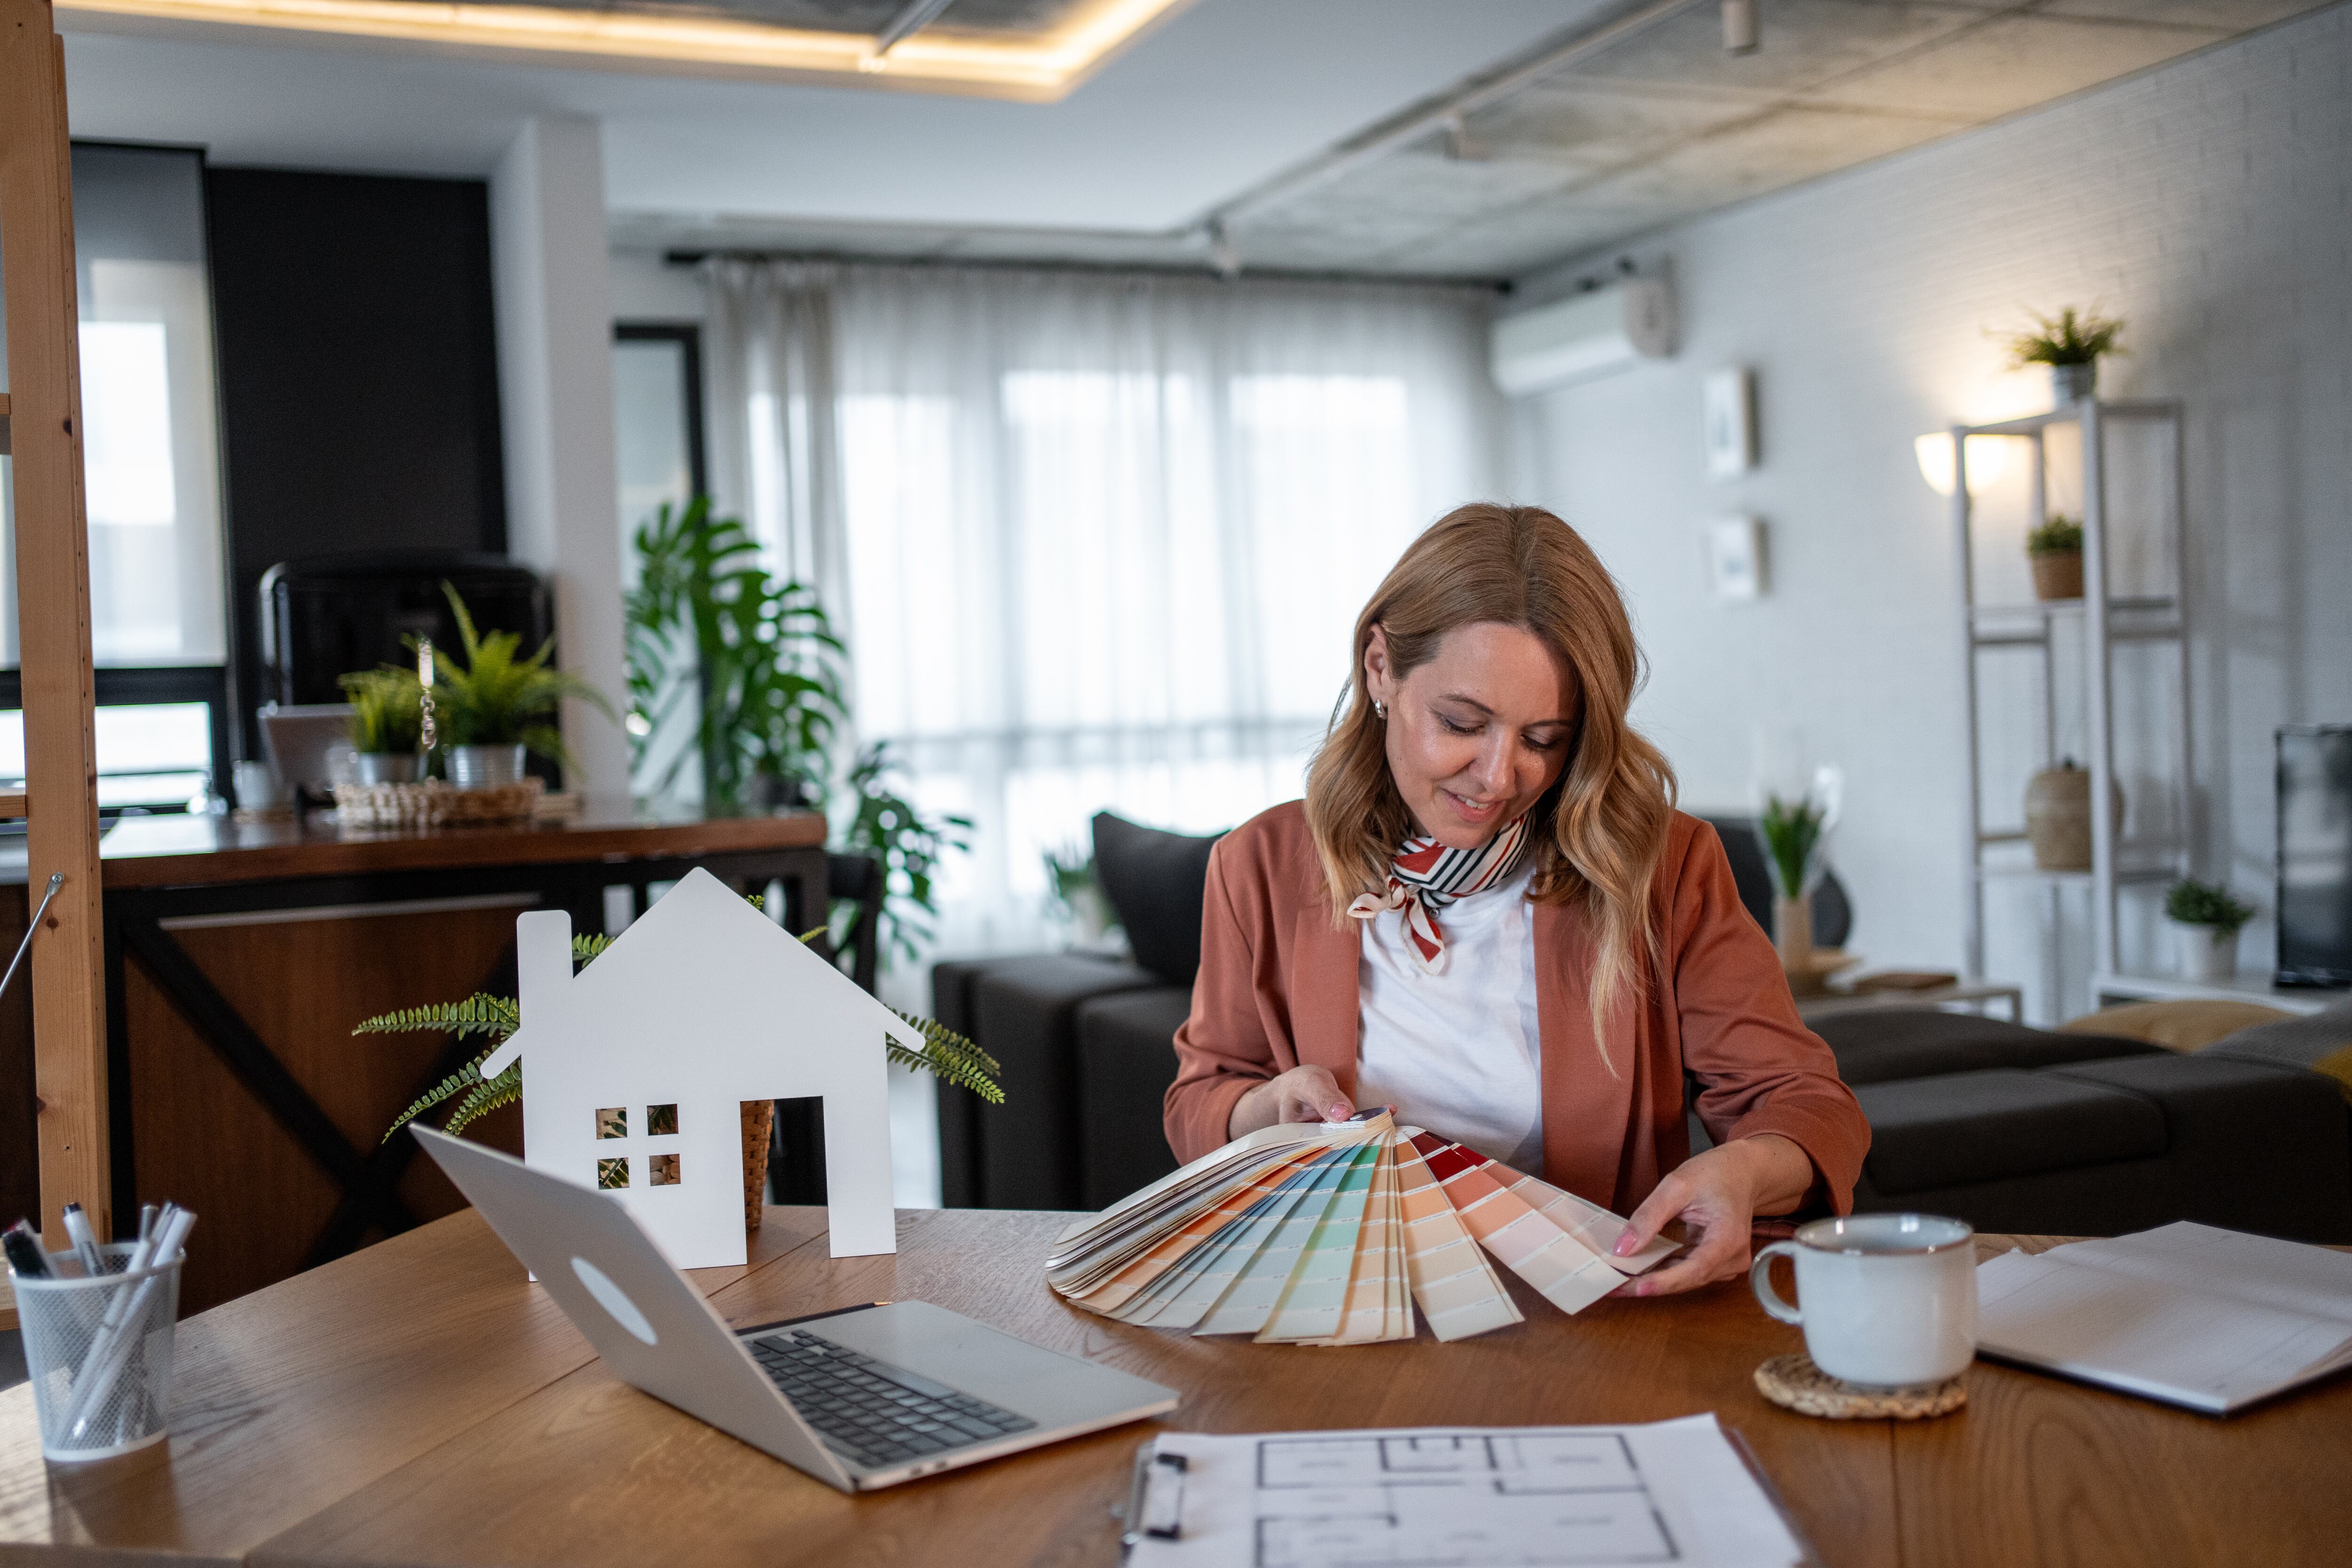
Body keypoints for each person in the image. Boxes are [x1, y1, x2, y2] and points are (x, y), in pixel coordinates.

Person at [1163, 503, 1868, 1297]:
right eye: (1462, 723)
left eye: (1543, 740)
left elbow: (1807, 1105)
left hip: (1591, 1327)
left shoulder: (1665, 869)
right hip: (1342, 1312)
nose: (1500, 778)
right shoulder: (1259, 867)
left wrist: (1745, 1171)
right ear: (1380, 668)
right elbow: (1200, 1101)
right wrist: (1263, 1110)